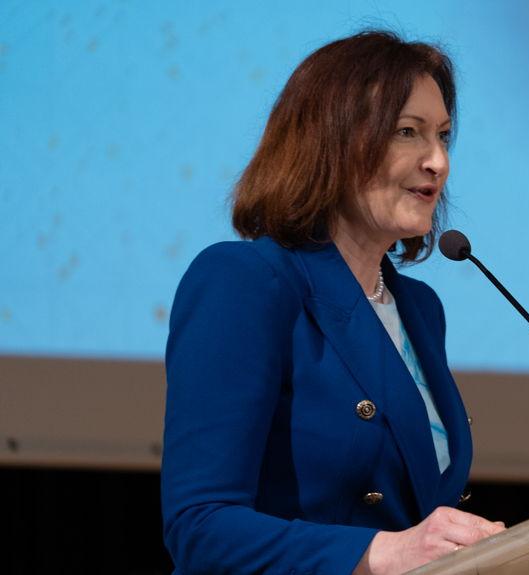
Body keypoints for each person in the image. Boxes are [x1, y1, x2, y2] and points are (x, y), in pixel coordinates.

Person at [161, 30, 505, 575]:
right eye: (407, 132)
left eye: (443, 135)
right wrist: (385, 551)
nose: (438, 161)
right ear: (331, 141)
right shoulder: (246, 281)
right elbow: (200, 526)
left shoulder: (420, 308)